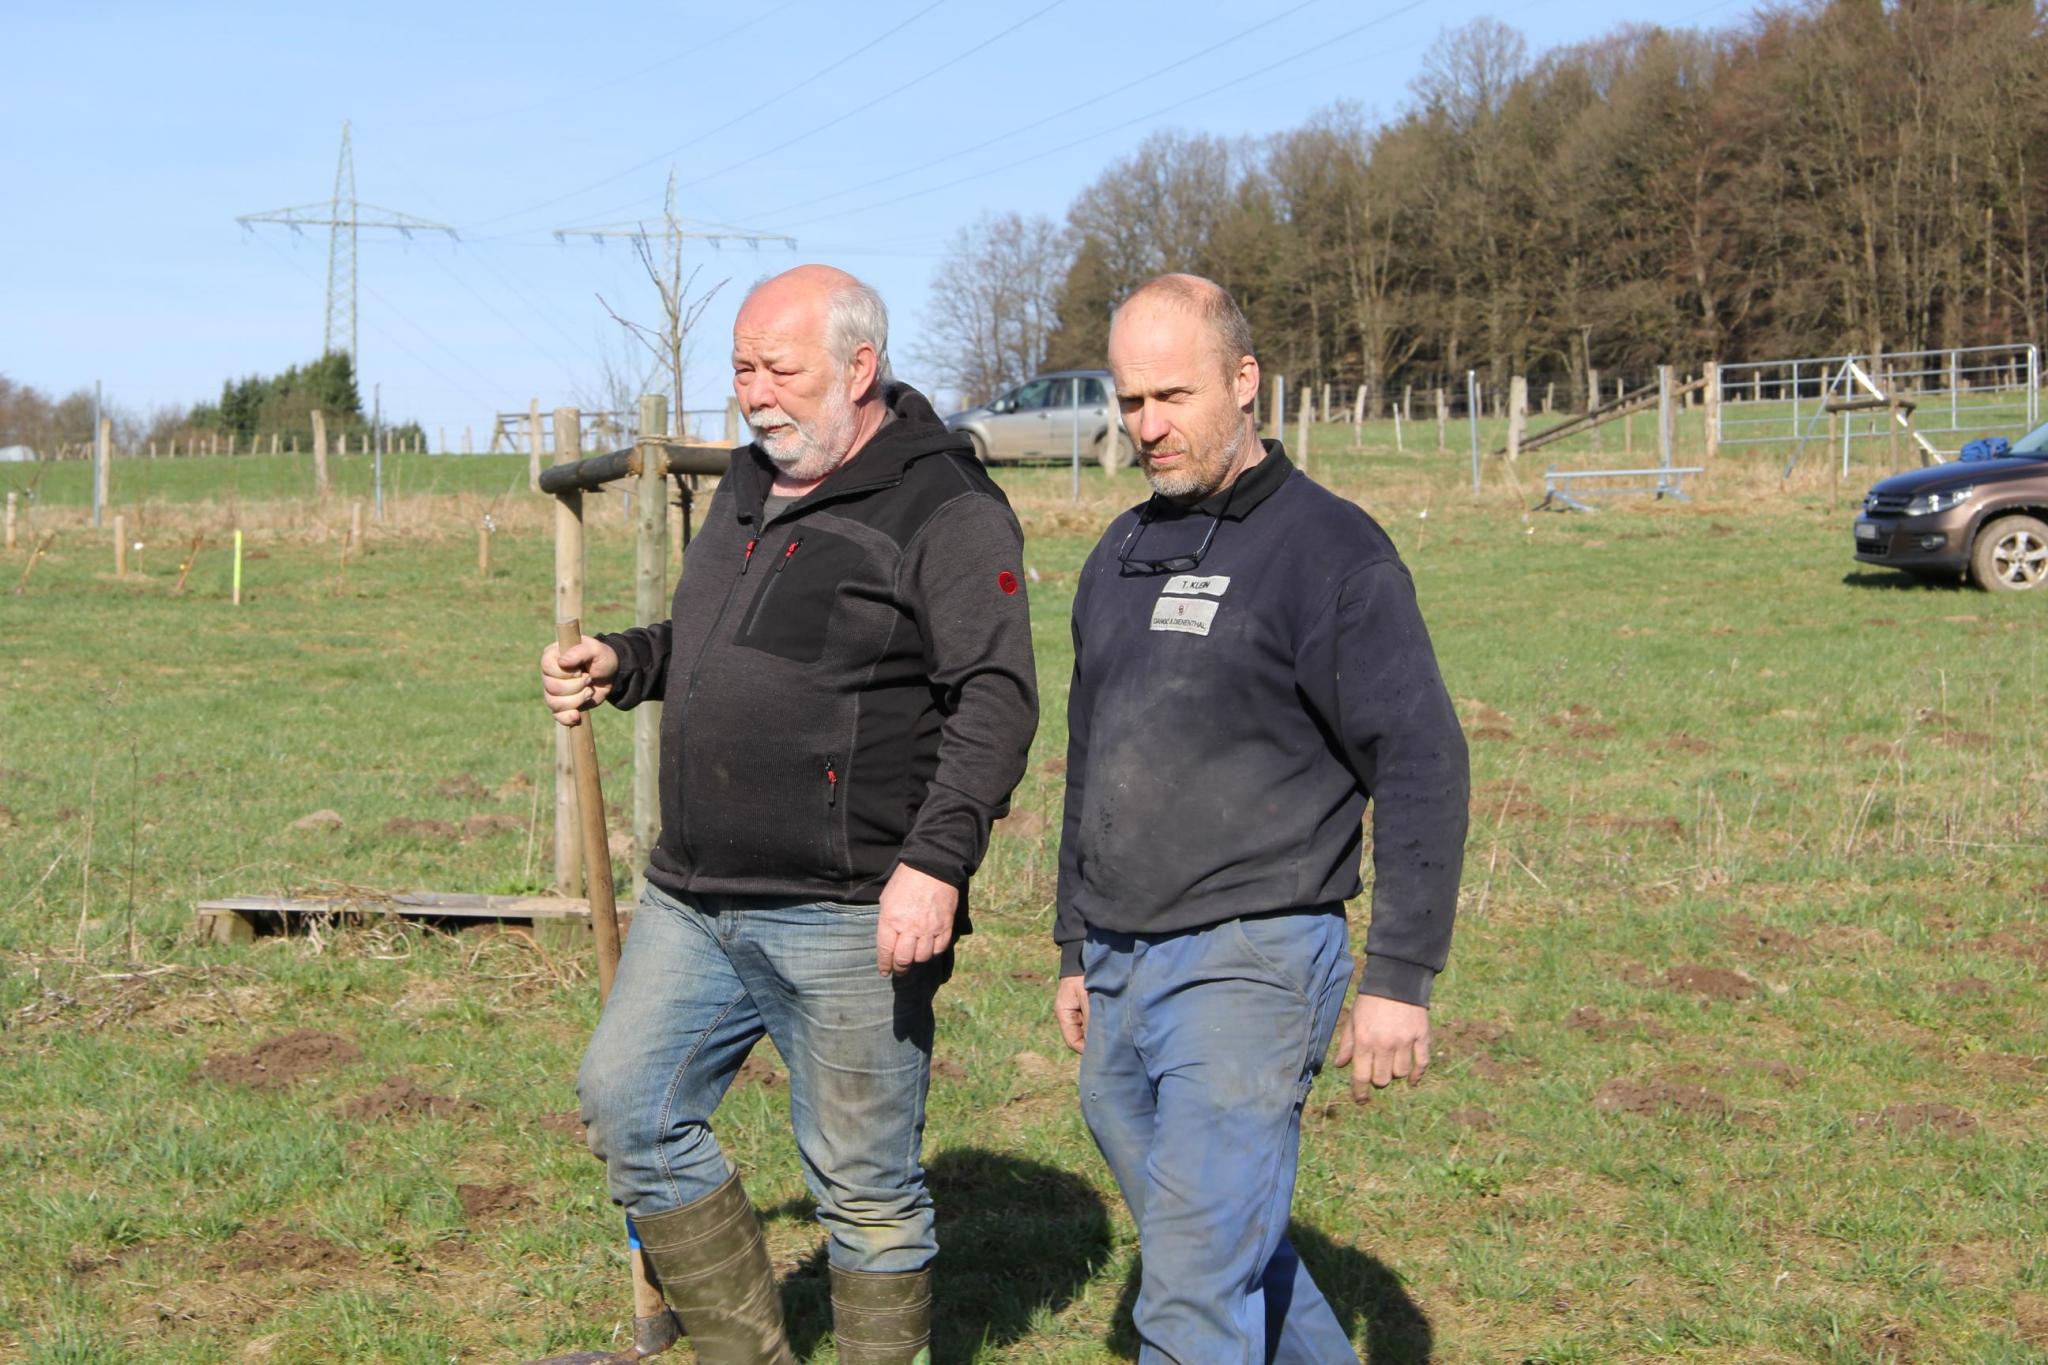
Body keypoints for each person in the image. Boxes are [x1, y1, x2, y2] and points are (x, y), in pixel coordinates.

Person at [541, 264, 1038, 1364]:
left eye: (779, 369)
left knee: (862, 1190)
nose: (754, 393)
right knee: (629, 1108)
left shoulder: (944, 508)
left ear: (860, 368)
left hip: (849, 909)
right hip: (694, 893)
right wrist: (623, 661)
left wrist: (936, 864)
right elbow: (716, 648)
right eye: (739, 369)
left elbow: (996, 700)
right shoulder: (751, 484)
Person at [1052, 274, 1469, 1362]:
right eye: (1129, 401)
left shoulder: (1330, 552)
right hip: (1117, 959)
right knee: (1223, 1247)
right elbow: (1090, 758)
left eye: (1171, 396)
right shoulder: (1118, 554)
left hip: (1253, 958)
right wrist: (1069, 943)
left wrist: (1397, 977)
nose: (1146, 427)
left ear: (1245, 383)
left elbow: (1419, 759)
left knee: (1187, 1296)